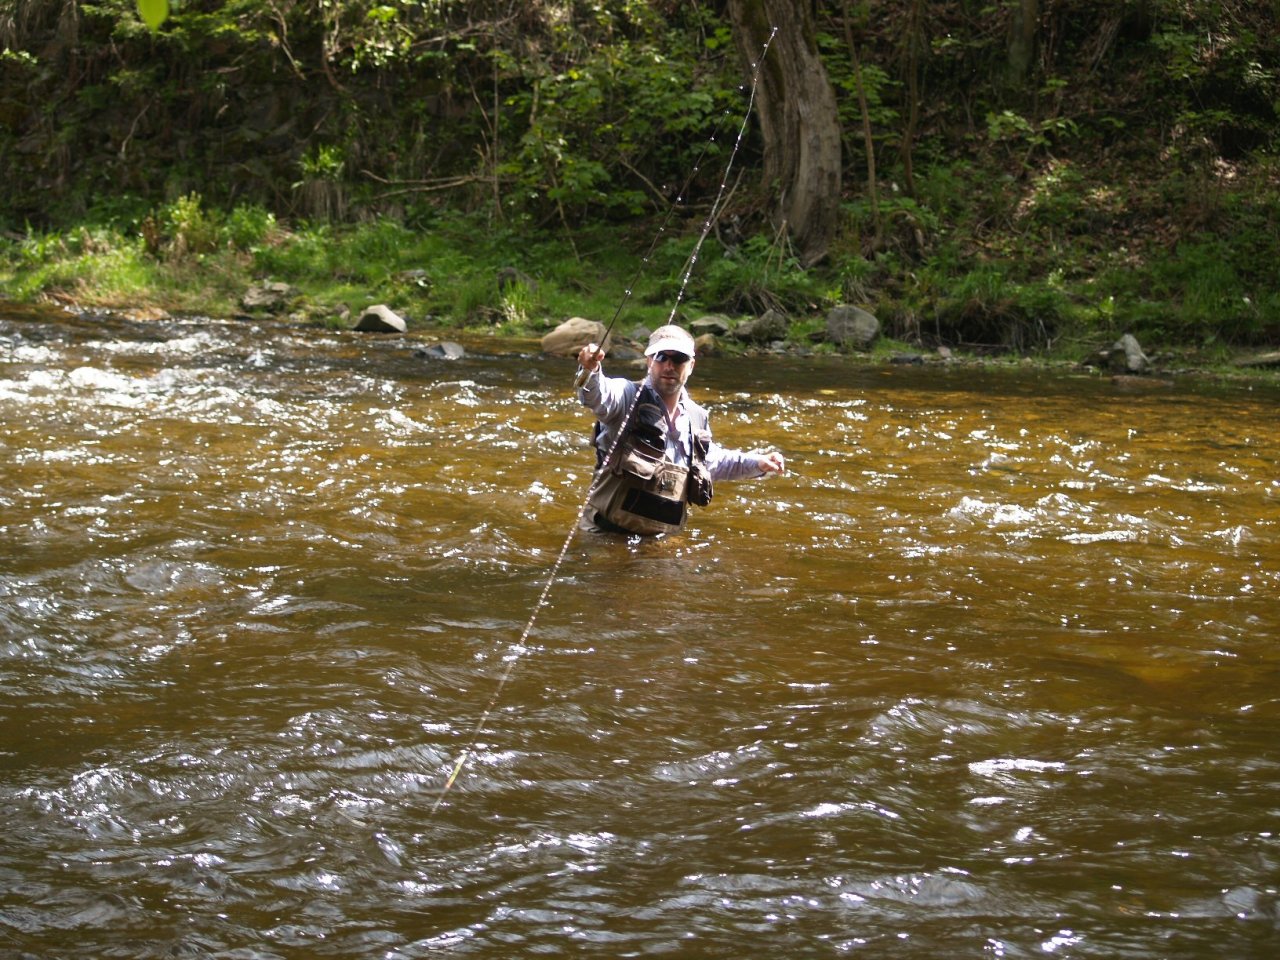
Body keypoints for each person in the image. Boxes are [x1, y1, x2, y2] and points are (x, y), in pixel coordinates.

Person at [575, 324, 785, 535]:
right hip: (606, 536)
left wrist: (758, 463)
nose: (669, 366)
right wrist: (590, 370)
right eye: (661, 357)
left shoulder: (697, 416)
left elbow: (712, 462)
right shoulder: (626, 396)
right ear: (649, 361)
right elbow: (597, 395)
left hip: (660, 542)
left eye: (678, 359)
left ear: (691, 365)